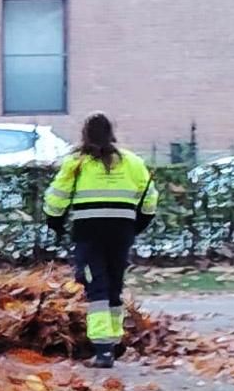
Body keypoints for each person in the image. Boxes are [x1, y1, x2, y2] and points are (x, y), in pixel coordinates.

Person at [43, 112, 160, 369]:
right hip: (121, 232)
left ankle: (103, 350)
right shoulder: (132, 162)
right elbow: (150, 199)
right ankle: (115, 342)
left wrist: (55, 223)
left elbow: (56, 198)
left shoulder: (76, 163)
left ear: (85, 134)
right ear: (112, 133)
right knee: (114, 285)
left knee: (96, 286)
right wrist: (136, 225)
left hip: (89, 233)